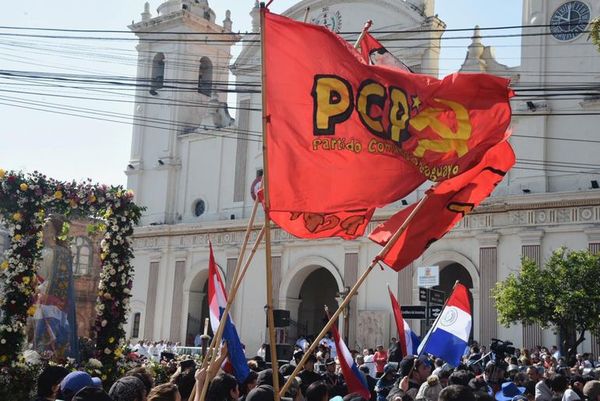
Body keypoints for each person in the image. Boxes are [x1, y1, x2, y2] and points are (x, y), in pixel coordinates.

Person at [33, 215, 79, 360]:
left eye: (47, 226)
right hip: (35, 297)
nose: (43, 228)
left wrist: (40, 290)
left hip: (51, 301)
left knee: (47, 337)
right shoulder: (36, 251)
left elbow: (60, 280)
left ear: (54, 231)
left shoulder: (61, 252)